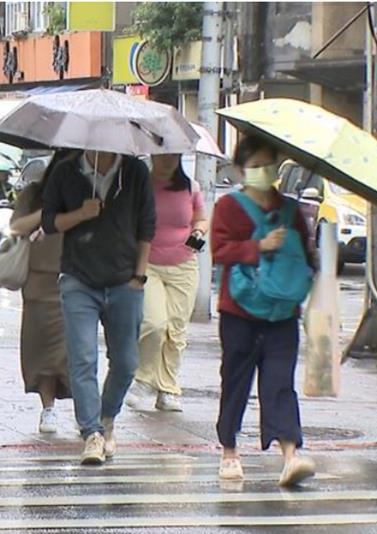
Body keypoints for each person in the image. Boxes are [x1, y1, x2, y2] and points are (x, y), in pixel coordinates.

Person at [211, 135, 316, 487]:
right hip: (239, 312)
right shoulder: (228, 207)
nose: (261, 171)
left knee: (280, 383)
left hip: (283, 314)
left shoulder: (290, 210)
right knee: (236, 381)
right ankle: (229, 450)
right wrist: (258, 246)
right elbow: (220, 250)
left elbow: (307, 257)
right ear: (241, 170)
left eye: (267, 164)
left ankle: (290, 455)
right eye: (254, 166)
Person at [41, 149, 155, 465]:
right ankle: (91, 433)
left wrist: (139, 275)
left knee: (127, 361)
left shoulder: (134, 172)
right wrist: (80, 214)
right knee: (83, 358)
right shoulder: (66, 171)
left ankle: (107, 416)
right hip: (79, 279)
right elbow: (49, 222)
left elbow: (147, 224)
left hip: (124, 281)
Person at [129, 154, 208, 413]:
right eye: (163, 155)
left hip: (184, 265)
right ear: (153, 156)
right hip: (148, 262)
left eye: (173, 156)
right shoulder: (142, 185)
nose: (168, 161)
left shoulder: (190, 187)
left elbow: (201, 218)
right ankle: (143, 378)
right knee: (154, 323)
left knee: (176, 329)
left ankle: (168, 388)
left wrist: (198, 232)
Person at [10, 150, 75, 434]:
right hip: (37, 284)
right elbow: (16, 226)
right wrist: (44, 212)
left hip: (74, 280)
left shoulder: (84, 197)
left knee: (71, 351)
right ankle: (47, 408)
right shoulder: (34, 194)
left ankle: (83, 407)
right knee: (41, 353)